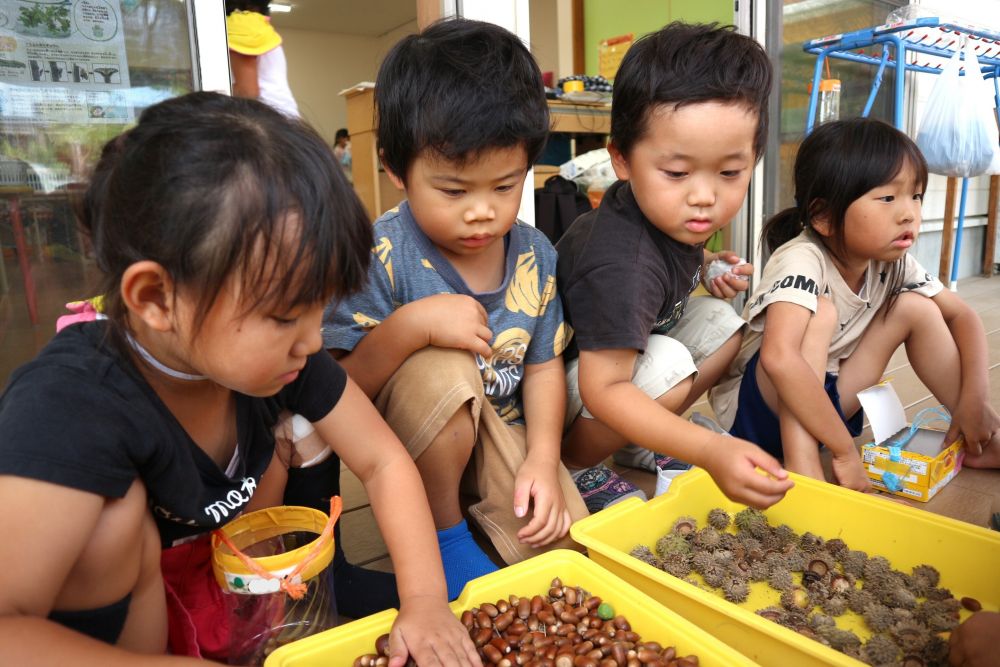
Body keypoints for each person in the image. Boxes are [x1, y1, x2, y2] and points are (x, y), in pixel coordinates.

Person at [0, 92, 479, 666]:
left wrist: (424, 599)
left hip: (232, 578)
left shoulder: (280, 356)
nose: (311, 340)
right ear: (155, 297)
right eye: (283, 317)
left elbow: (382, 461)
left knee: (301, 425)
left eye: (319, 308)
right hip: (106, 634)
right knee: (114, 519)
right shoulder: (68, 405)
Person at [324, 18, 588, 600]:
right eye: (453, 190)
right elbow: (338, 390)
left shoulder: (535, 253)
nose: (482, 213)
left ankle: (483, 519)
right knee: (445, 365)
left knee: (567, 560)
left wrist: (543, 461)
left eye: (505, 186)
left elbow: (543, 364)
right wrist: (410, 328)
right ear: (396, 170)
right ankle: (442, 532)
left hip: (501, 438)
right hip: (412, 444)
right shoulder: (380, 255)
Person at [556, 22, 794, 512]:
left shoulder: (665, 212)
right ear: (621, 159)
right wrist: (710, 451)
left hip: (613, 364)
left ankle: (639, 441)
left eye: (730, 172)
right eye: (678, 173)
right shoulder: (620, 263)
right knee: (666, 362)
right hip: (562, 401)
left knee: (725, 323)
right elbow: (603, 390)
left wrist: (705, 266)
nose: (704, 196)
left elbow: (673, 260)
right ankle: (578, 469)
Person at [710, 118, 1000, 491]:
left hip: (826, 403)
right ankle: (803, 466)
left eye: (915, 196)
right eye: (888, 198)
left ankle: (980, 437)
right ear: (824, 216)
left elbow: (963, 315)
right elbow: (779, 359)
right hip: (755, 415)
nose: (909, 212)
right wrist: (845, 452)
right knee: (821, 312)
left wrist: (973, 399)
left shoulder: (893, 260)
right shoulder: (801, 257)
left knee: (917, 308)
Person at [225, 0, 300, 118]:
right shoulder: (256, 25)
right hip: (280, 116)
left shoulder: (241, 24)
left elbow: (248, 92)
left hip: (269, 118)